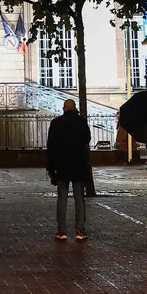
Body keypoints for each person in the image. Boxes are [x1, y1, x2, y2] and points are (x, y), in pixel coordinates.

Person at [46, 99, 92, 241]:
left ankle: (61, 230)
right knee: (79, 198)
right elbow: (87, 139)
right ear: (75, 108)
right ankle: (80, 229)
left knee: (62, 198)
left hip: (61, 166)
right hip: (78, 165)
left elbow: (50, 147)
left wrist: (50, 167)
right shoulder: (81, 122)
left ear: (63, 108)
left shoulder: (56, 123)